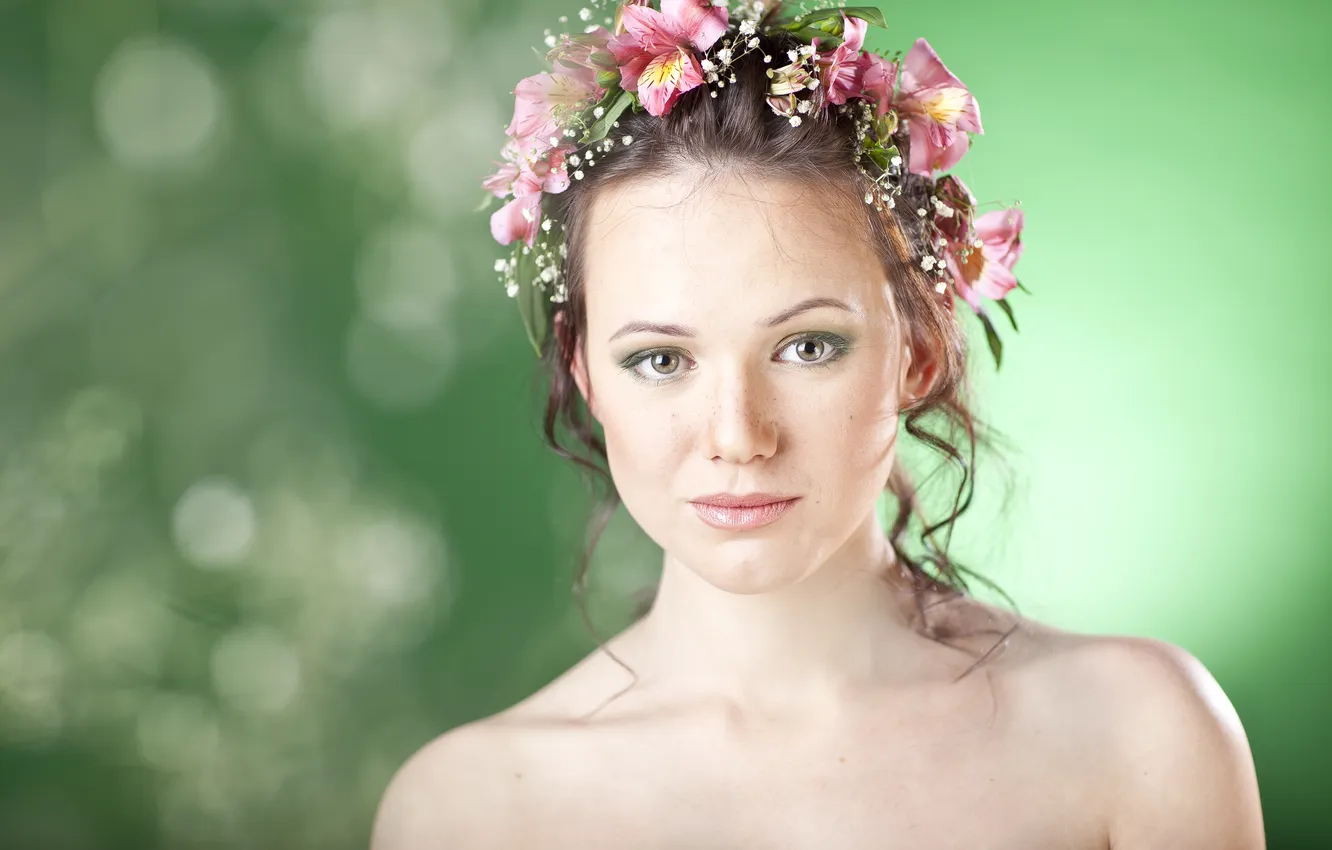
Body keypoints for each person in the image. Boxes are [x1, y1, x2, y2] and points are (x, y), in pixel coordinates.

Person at [372, 2, 1266, 847]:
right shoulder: (467, 812)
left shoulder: (1137, 738)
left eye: (807, 347)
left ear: (918, 349)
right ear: (586, 376)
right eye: (660, 359)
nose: (738, 436)